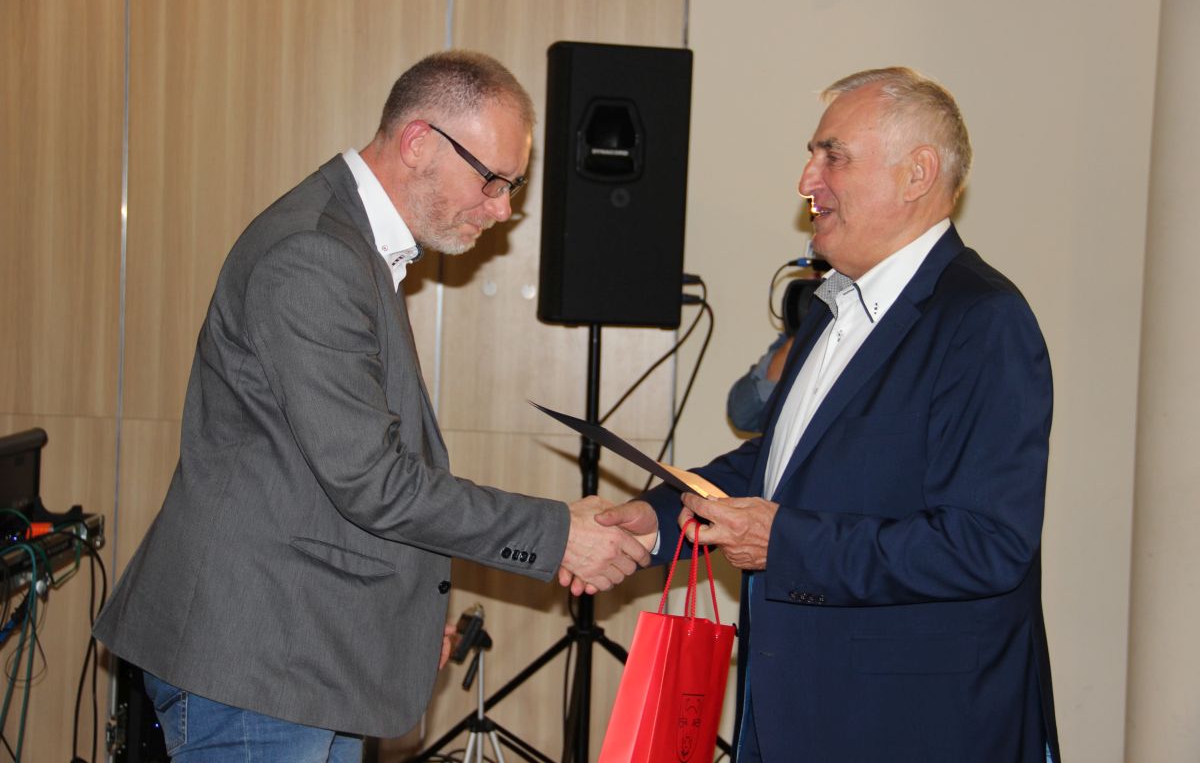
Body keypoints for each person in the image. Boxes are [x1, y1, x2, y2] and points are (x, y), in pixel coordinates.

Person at [92, 51, 650, 761]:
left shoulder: (353, 246)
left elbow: (316, 486)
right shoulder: (313, 255)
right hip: (258, 664)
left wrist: (401, 619)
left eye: (510, 187)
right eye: (492, 180)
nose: (502, 209)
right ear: (419, 142)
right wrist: (557, 533)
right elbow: (371, 481)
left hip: (306, 656)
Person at [596, 67, 1060, 762]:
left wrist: (785, 542)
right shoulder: (831, 307)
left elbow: (985, 545)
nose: (806, 181)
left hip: (908, 729)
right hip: (792, 710)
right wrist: (661, 517)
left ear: (917, 174)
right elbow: (778, 466)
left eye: (832, 156)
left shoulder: (982, 320)